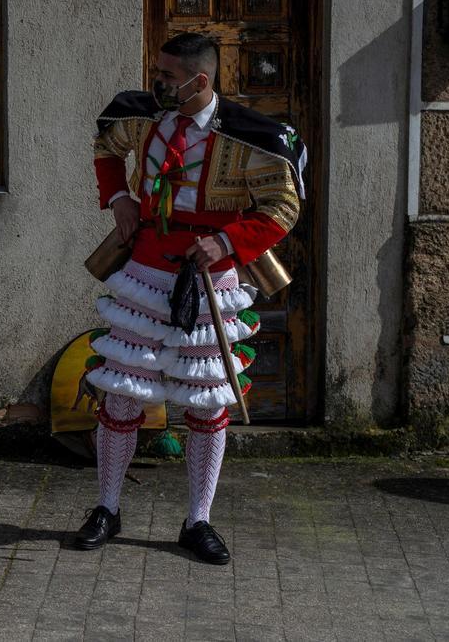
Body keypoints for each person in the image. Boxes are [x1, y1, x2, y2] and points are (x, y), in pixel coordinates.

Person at [74, 33, 306, 564]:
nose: (156, 82)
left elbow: (282, 205)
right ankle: (107, 508)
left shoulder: (251, 139)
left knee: (205, 404)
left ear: (200, 81)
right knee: (122, 395)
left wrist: (225, 241)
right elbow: (106, 147)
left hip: (211, 279)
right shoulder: (143, 118)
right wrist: (118, 200)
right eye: (157, 72)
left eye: (168, 76)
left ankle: (198, 520)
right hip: (144, 270)